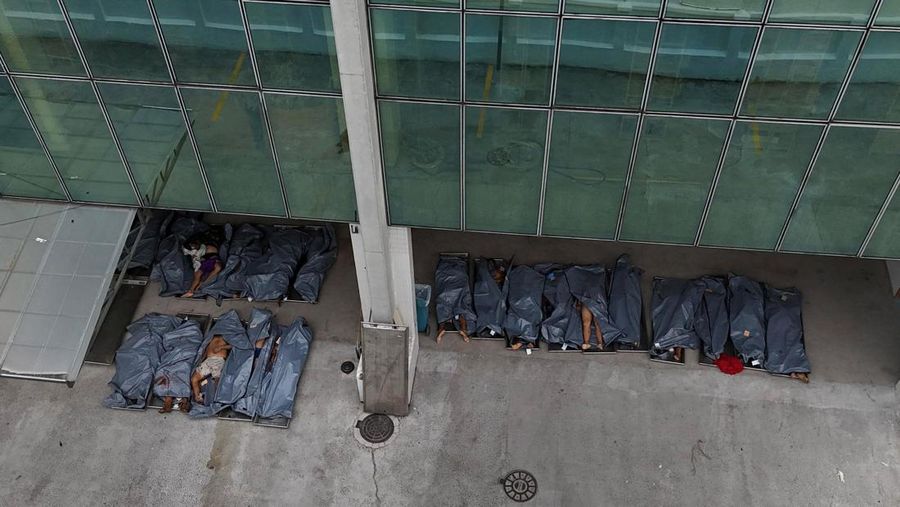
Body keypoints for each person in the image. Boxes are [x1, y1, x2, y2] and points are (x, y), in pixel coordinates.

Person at [191, 335, 231, 404]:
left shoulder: (225, 335)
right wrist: (200, 360)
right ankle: (198, 398)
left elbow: (234, 345)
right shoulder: (210, 336)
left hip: (219, 360)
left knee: (217, 379)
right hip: (208, 360)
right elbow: (205, 349)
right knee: (194, 379)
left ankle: (217, 401)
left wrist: (221, 347)